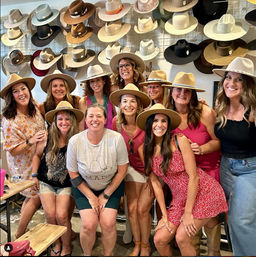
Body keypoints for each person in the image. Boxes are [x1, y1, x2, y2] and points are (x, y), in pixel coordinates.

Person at [136, 103, 228, 256]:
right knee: (159, 239)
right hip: (179, 199)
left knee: (182, 238)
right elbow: (155, 183)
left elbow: (194, 177)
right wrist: (164, 215)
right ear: (149, 124)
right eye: (155, 120)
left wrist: (188, 212)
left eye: (164, 121)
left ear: (169, 124)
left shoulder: (179, 140)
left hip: (203, 191)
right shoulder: (144, 149)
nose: (159, 125)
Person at [166, 71, 222, 255]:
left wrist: (203, 148)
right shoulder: (167, 115)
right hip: (184, 176)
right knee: (190, 218)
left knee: (211, 218)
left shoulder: (205, 112)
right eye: (178, 89)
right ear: (172, 91)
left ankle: (214, 252)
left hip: (208, 170)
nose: (182, 94)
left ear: (193, 94)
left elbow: (218, 141)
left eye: (187, 91)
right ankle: (194, 251)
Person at [66, 103, 129, 256]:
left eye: (99, 116)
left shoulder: (116, 138)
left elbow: (122, 170)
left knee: (108, 223)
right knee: (89, 224)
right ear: (86, 120)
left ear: (105, 119)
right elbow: (73, 173)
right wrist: (91, 197)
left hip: (111, 186)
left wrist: (105, 194)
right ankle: (87, 254)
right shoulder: (75, 141)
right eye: (91, 116)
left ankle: (108, 254)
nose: (95, 119)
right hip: (84, 187)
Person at [213, 56, 256, 256]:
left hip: (250, 170)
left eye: (239, 79)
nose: (231, 83)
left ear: (247, 84)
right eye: (229, 77)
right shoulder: (221, 106)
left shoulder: (254, 111)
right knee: (232, 218)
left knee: (242, 221)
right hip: (225, 168)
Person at [31, 101, 83, 256]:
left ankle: (66, 246)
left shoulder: (77, 139)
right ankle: (56, 243)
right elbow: (36, 156)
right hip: (45, 181)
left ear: (72, 121)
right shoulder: (46, 137)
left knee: (62, 216)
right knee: (50, 215)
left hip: (66, 184)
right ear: (55, 121)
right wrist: (34, 175)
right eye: (60, 119)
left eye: (67, 119)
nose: (64, 122)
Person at [1, 73, 46, 238]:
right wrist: (30, 141)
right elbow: (12, 149)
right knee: (35, 197)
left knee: (33, 197)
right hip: (23, 164)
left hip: (40, 159)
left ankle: (21, 230)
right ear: (10, 96)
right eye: (15, 91)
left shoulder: (33, 106)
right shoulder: (9, 119)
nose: (21, 93)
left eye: (23, 88)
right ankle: (19, 234)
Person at [109, 83, 152, 256]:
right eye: (124, 101)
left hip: (151, 171)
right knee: (132, 209)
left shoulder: (147, 122)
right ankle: (138, 244)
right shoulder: (116, 124)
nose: (128, 105)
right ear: (119, 105)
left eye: (132, 101)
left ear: (139, 104)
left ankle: (146, 245)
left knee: (143, 210)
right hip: (132, 170)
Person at [79, 64, 116, 131]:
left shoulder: (111, 98)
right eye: (92, 81)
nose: (95, 84)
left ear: (104, 81)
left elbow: (116, 120)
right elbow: (81, 126)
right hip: (91, 139)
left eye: (98, 80)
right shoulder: (84, 101)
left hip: (110, 138)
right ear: (89, 84)